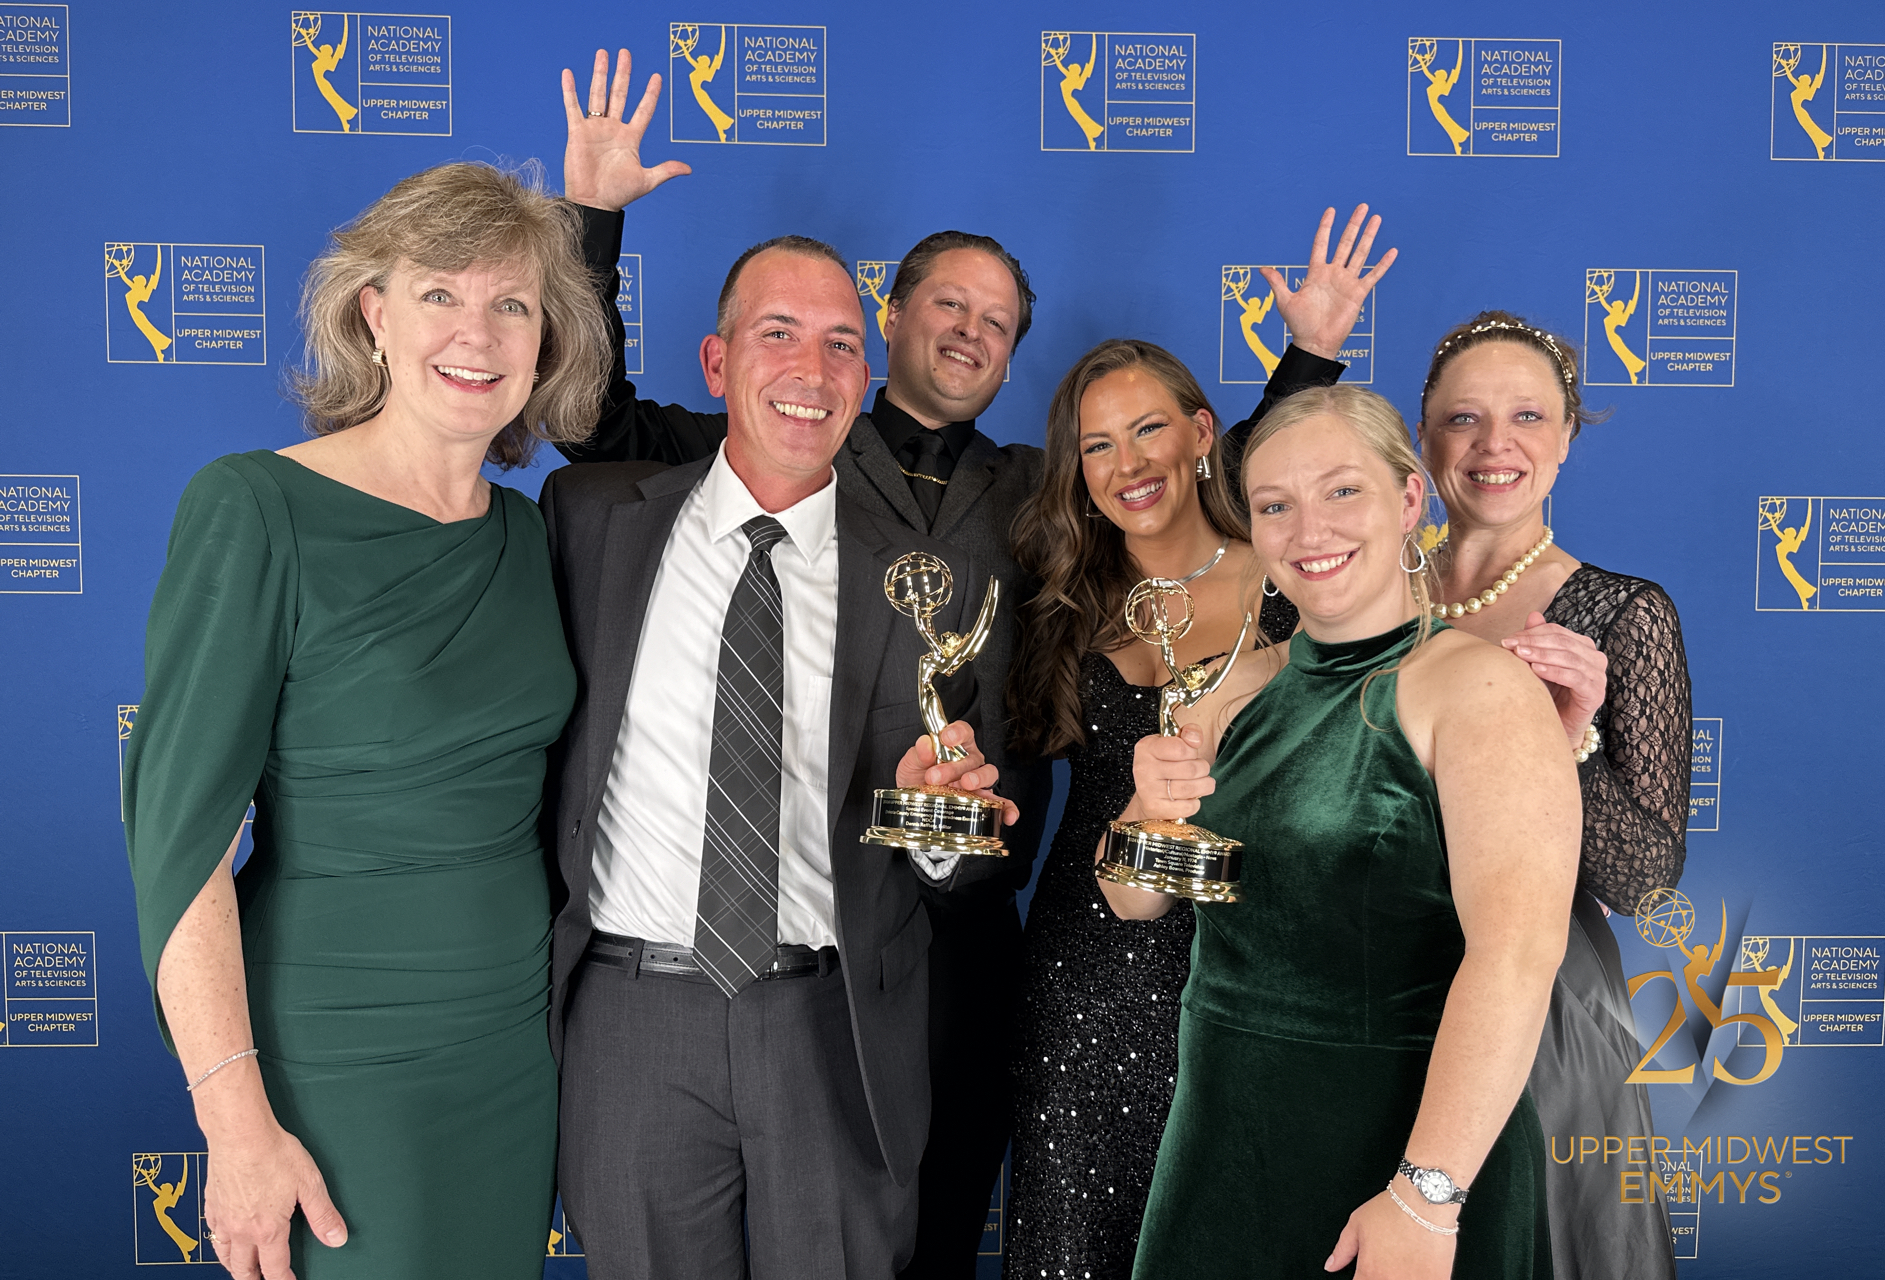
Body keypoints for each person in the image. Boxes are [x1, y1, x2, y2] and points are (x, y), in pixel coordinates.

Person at [548, 47, 1379, 1274]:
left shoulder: (1044, 494)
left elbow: (1195, 487)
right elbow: (587, 418)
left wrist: (1306, 366)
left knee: (914, 1221)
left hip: (965, 919)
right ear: (895, 321)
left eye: (997, 323)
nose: (971, 330)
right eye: (949, 304)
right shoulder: (752, 459)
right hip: (751, 934)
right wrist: (592, 225)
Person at [122, 160, 610, 1280]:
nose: (475, 331)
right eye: (439, 292)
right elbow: (179, 846)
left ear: (545, 342)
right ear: (372, 314)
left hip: (511, 1045)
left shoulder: (535, 539)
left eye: (512, 303)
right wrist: (236, 1124)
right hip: (335, 1051)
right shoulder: (255, 508)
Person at [538, 229, 1017, 1280]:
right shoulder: (591, 520)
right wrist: (593, 221)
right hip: (632, 1012)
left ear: (869, 370)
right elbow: (556, 391)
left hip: (835, 1019)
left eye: (843, 343)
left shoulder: (917, 585)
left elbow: (957, 863)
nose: (812, 371)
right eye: (779, 334)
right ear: (717, 364)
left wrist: (943, 829)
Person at [1108, 385, 1579, 1278]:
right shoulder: (1228, 686)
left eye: (1341, 492)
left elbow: (1517, 955)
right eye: (1275, 506)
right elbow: (1134, 898)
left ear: (1409, 500)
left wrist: (1425, 1196)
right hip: (1221, 1143)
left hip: (1405, 1146)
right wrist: (1148, 803)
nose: (1307, 529)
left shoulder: (1480, 690)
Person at [1000, 217, 1389, 1280]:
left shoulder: (1289, 567)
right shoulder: (1064, 603)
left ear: (1203, 432)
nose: (1128, 463)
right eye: (1096, 444)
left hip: (1260, 963)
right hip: (1091, 968)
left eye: (1149, 431)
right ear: (1075, 468)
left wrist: (1309, 355)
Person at [1416, 312, 1691, 1280]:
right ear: (1423, 437)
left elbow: (1647, 884)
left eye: (1528, 415)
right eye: (1464, 419)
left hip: (1543, 1019)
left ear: (1568, 435)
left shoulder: (1625, 614)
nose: (1495, 446)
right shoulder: (1364, 595)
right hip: (1369, 988)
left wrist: (1569, 741)